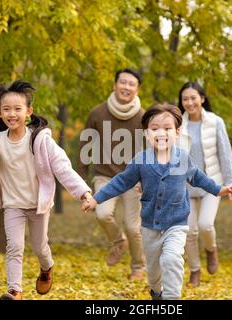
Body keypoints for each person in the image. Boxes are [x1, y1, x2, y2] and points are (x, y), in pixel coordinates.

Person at [0, 80, 93, 300]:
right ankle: (15, 291)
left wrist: (84, 193)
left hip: (38, 205)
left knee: (39, 246)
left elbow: (63, 168)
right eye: (6, 109)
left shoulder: (40, 140)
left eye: (17, 109)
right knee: (14, 247)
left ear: (28, 112)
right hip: (13, 205)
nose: (11, 114)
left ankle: (46, 268)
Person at [83, 103, 232, 300]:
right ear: (146, 134)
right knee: (154, 273)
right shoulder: (141, 160)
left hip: (176, 224)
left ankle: (171, 300)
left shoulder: (182, 158)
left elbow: (199, 178)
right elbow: (120, 182)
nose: (161, 133)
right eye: (154, 129)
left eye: (167, 128)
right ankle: (157, 293)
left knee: (172, 259)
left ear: (177, 132)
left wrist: (218, 189)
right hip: (150, 227)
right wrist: (96, 199)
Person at [77, 68, 146, 280]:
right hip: (105, 175)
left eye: (131, 84)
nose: (126, 87)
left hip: (133, 179)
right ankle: (117, 241)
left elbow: (151, 152)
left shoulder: (144, 117)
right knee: (102, 213)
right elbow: (85, 148)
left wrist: (147, 179)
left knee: (134, 227)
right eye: (123, 82)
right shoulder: (97, 113)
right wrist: (81, 185)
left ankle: (138, 268)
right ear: (115, 85)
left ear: (137, 89)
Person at [177, 82, 232, 287]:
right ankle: (195, 270)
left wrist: (230, 183)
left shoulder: (215, 122)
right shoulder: (178, 125)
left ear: (202, 98)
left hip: (213, 183)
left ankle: (211, 249)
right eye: (185, 99)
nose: (190, 102)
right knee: (189, 230)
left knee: (205, 225)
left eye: (193, 97)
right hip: (186, 185)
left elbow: (225, 153)